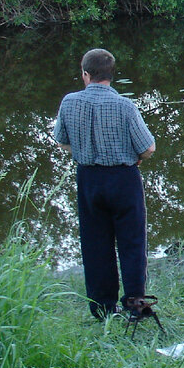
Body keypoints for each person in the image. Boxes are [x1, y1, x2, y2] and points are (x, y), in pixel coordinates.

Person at [53, 48, 157, 321]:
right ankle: (135, 307)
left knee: (95, 244)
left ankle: (103, 309)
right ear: (111, 75)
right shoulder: (125, 106)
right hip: (123, 179)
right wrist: (134, 157)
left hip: (88, 179)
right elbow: (148, 148)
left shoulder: (69, 102)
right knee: (132, 243)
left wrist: (84, 148)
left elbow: (61, 141)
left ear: (85, 74)